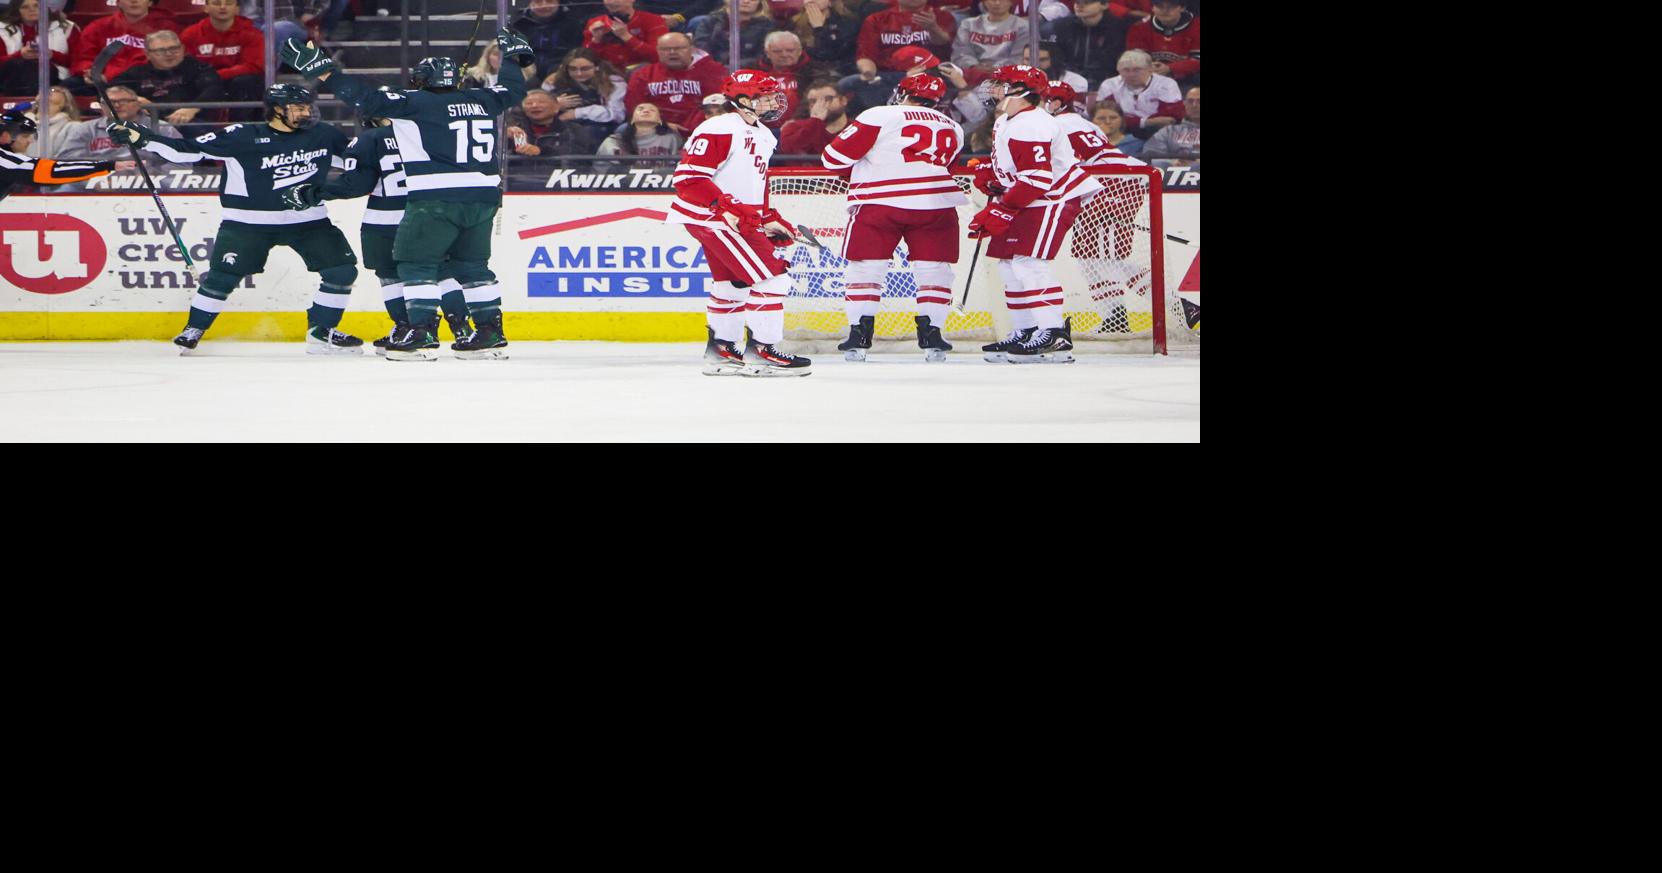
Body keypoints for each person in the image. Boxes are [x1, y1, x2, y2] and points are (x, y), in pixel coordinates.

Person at [280, 31, 531, 361]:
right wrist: (514, 59)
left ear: (421, 80)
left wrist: (324, 70)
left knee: (416, 265)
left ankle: (422, 334)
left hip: (436, 199)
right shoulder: (485, 99)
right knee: (473, 266)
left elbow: (365, 99)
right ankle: (489, 334)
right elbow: (514, 89)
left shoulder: (415, 103)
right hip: (483, 196)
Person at [108, 84, 364, 355]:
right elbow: (187, 150)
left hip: (309, 220)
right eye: (299, 107)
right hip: (248, 223)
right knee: (221, 278)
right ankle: (194, 328)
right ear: (277, 109)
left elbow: (354, 162)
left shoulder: (323, 135)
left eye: (308, 106)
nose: (307, 112)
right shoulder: (242, 135)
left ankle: (321, 332)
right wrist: (143, 138)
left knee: (342, 271)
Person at [283, 93, 480, 357]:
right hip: (430, 213)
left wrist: (313, 192)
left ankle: (405, 328)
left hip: (383, 220)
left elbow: (355, 184)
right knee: (442, 271)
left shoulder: (369, 139)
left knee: (390, 275)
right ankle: (462, 328)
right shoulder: (434, 132)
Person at [667, 70, 812, 376]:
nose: (774, 100)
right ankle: (762, 352)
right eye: (766, 96)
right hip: (713, 218)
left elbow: (753, 181)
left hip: (726, 218)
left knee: (732, 283)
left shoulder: (763, 133)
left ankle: (722, 351)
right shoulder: (719, 127)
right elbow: (688, 179)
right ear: (744, 100)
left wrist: (767, 216)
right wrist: (725, 207)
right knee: (774, 279)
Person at [819, 73, 966, 362]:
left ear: (902, 93)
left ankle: (859, 337)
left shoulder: (880, 115)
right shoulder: (954, 126)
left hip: (881, 202)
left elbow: (832, 158)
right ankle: (933, 336)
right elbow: (948, 168)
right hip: (936, 204)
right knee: (934, 271)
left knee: (865, 270)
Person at [969, 64, 1102, 364]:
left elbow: (1038, 178)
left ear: (1022, 92)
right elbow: (1017, 168)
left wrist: (1003, 209)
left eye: (1001, 84)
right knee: (1008, 264)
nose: (993, 89)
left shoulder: (1033, 124)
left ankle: (1053, 332)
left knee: (1029, 263)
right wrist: (993, 177)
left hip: (1051, 199)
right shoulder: (1007, 120)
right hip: (1028, 199)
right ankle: (1027, 330)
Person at [57, 83, 180, 184]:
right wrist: (93, 179)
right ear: (102, 106)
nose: (116, 106)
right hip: (99, 180)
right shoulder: (85, 129)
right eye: (109, 102)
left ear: (137, 104)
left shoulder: (162, 128)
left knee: (176, 185)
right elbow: (69, 161)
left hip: (151, 181)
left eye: (124, 101)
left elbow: (181, 160)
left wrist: (155, 178)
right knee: (64, 190)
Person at [112, 30, 227, 129]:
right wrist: (134, 99)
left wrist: (192, 108)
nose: (168, 54)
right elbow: (111, 89)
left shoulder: (198, 68)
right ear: (147, 53)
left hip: (190, 121)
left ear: (182, 49)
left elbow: (214, 89)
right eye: (161, 51)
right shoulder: (136, 72)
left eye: (174, 49)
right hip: (148, 123)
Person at [0, 106, 112, 202]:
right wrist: (106, 165)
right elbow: (52, 171)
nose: (29, 141)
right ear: (5, 136)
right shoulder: (5, 161)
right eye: (25, 136)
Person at [625, 32, 727, 134]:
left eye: (679, 48)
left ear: (691, 49)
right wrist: (663, 125)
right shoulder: (643, 74)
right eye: (665, 49)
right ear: (657, 50)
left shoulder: (713, 71)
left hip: (701, 130)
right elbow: (634, 106)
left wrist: (690, 128)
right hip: (657, 130)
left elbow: (717, 105)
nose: (672, 52)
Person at [68, 0, 181, 93]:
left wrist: (113, 76)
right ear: (118, 2)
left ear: (150, 2)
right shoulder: (98, 26)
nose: (134, 1)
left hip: (145, 81)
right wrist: (93, 74)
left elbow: (170, 60)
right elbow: (83, 58)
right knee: (69, 85)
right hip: (103, 80)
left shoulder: (166, 28)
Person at [181, 0, 264, 109]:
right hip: (204, 81)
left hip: (238, 81)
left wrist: (218, 75)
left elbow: (254, 66)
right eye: (216, 3)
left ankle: (241, 124)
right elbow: (185, 64)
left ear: (237, 9)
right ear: (205, 8)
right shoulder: (190, 34)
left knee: (245, 81)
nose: (223, 7)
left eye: (229, 3)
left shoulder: (253, 34)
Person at [1043, 79, 1142, 167]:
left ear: (1055, 104)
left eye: (1037, 101)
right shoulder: (1088, 124)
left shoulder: (1052, 126)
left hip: (1114, 177)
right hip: (1133, 172)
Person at [540, 47, 626, 147]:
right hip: (561, 123)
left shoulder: (614, 83)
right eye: (573, 69)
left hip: (598, 126)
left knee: (587, 133)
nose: (579, 73)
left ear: (597, 67)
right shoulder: (553, 81)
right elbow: (537, 108)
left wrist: (577, 113)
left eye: (585, 69)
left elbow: (617, 115)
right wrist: (554, 105)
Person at [1094, 49, 1182, 138]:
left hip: (1155, 131)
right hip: (1120, 130)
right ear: (1119, 71)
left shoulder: (1166, 84)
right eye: (1126, 70)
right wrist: (1146, 122)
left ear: (1150, 69)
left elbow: (1171, 117)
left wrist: (1132, 121)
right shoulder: (1110, 84)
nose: (1131, 74)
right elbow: (1104, 117)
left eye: (1137, 70)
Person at [855, 0, 954, 80]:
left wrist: (933, 28)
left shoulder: (942, 16)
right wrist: (869, 74)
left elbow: (945, 45)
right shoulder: (876, 19)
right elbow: (866, 55)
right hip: (890, 76)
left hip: (932, 73)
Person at [756, 31, 837, 125]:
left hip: (800, 125)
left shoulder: (815, 72)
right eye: (777, 51)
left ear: (799, 51)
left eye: (790, 50)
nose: (784, 55)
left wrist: (796, 121)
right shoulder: (752, 72)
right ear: (767, 53)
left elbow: (817, 102)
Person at [1, 0, 76, 94]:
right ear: (16, 10)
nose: (32, 10)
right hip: (12, 79)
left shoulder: (66, 28)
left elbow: (76, 61)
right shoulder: (2, 30)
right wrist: (19, 55)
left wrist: (52, 55)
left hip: (55, 79)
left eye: (36, 6)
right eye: (25, 7)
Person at [1050, 0, 1130, 88]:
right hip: (1070, 80)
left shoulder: (1118, 28)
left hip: (1106, 81)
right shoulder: (1063, 26)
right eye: (1077, 2)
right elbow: (1059, 58)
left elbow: (1114, 61)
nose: (1079, 6)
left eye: (1087, 3)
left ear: (1104, 5)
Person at [950, 0, 1026, 87]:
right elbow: (960, 53)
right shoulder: (968, 24)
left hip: (1008, 79)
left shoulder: (1023, 26)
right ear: (984, 2)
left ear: (1011, 2)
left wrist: (996, 68)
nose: (997, 3)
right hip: (971, 77)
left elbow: (1020, 56)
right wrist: (974, 66)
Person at [1125, 0, 1197, 86]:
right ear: (1152, 8)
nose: (1165, 10)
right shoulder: (1139, 28)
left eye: (1171, 6)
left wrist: (1170, 68)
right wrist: (1149, 66)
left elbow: (1198, 59)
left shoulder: (1197, 27)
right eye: (1159, 6)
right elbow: (1134, 57)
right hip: (1149, 80)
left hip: (1190, 83)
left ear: (1182, 8)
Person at [504, 89, 593, 158]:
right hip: (517, 178)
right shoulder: (514, 131)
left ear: (556, 107)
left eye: (541, 102)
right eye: (529, 103)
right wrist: (502, 137)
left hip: (557, 178)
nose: (534, 106)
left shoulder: (574, 129)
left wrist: (540, 151)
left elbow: (575, 154)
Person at [582, 0, 667, 71]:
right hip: (607, 77)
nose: (612, 2)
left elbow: (658, 56)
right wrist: (596, 40)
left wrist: (627, 37)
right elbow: (585, 60)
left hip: (644, 73)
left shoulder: (653, 20)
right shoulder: (594, 23)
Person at [595, 100, 683, 170]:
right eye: (640, 109)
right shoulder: (613, 142)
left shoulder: (671, 139)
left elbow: (677, 167)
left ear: (659, 119)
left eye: (652, 110)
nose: (646, 111)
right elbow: (600, 172)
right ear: (632, 118)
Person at [513, 0, 587, 83]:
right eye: (538, 2)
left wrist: (562, 70)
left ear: (558, 3)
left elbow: (577, 53)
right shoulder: (518, 24)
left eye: (550, 1)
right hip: (528, 70)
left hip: (561, 71)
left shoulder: (573, 23)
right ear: (530, 4)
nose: (544, 6)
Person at [688, 0, 775, 70]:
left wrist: (732, 68)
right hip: (713, 71)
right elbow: (702, 50)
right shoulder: (710, 22)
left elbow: (762, 56)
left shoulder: (767, 25)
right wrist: (718, 67)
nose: (746, 1)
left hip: (749, 72)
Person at [776, 78, 845, 156]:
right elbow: (790, 149)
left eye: (827, 99)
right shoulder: (793, 127)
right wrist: (816, 121)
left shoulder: (856, 127)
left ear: (843, 100)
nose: (819, 105)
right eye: (813, 101)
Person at [789, 0, 859, 73]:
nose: (811, 1)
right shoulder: (794, 22)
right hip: (802, 70)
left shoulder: (847, 22)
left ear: (830, 2)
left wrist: (819, 29)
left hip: (836, 71)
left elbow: (833, 53)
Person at [1139, 84, 1196, 162]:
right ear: (1184, 104)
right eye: (1190, 101)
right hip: (1175, 172)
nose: (1194, 105)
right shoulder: (1168, 131)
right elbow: (1150, 155)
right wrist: (1173, 163)